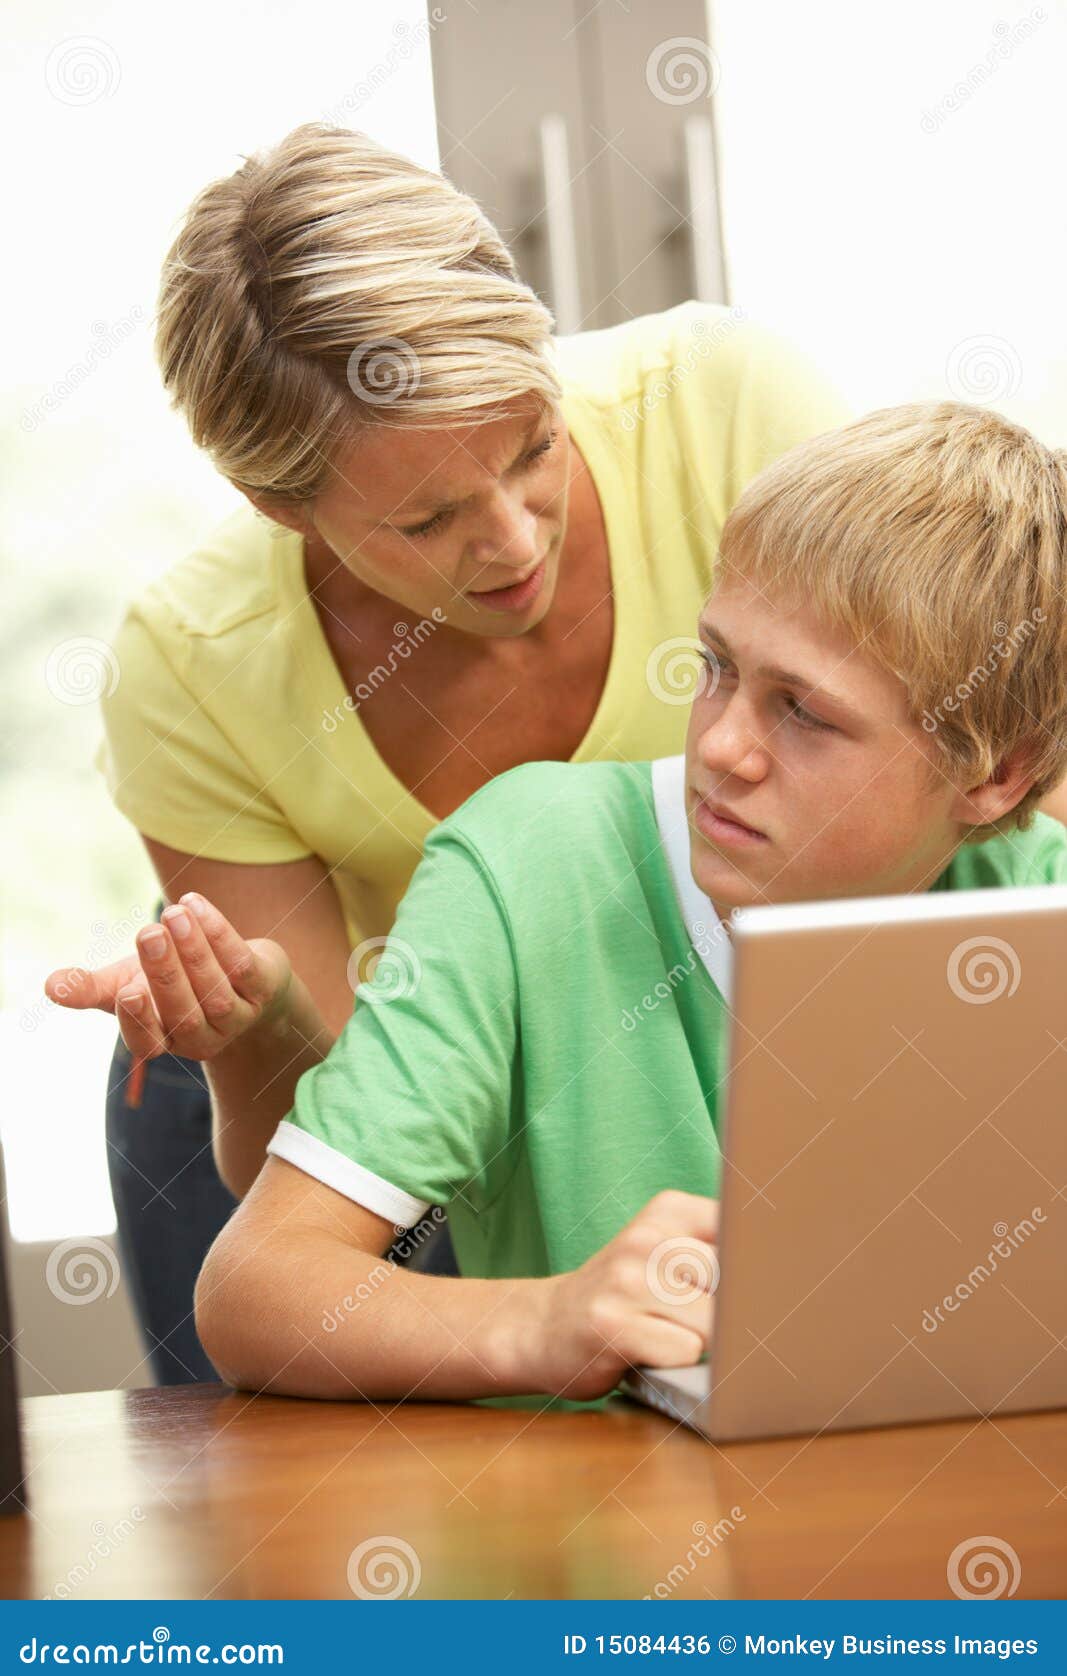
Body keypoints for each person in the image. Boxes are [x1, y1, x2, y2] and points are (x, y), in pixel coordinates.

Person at [48, 122, 859, 1385]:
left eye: (533, 445)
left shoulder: (725, 409)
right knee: (168, 1080)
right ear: (279, 507)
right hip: (440, 1154)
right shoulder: (194, 666)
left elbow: (959, 775)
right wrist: (258, 1031)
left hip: (765, 1055)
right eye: (426, 518)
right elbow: (321, 1170)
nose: (511, 540)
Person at [65, 399, 1067, 1408]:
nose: (719, 747)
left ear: (993, 779)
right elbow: (256, 1290)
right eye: (716, 667)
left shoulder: (1034, 894)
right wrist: (547, 1317)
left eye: (802, 712)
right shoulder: (527, 868)